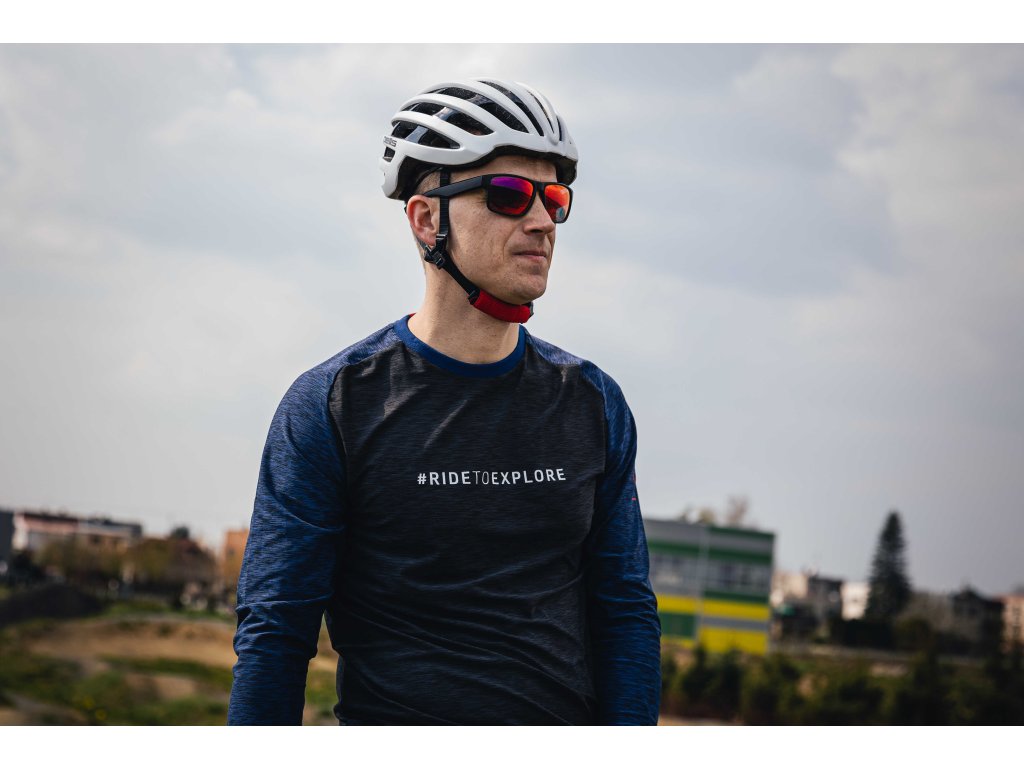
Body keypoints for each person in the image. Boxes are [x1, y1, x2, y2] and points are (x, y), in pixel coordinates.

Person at [227, 78, 661, 726]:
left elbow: (625, 615)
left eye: (554, 199)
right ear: (427, 219)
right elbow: (275, 636)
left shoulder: (594, 404)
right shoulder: (332, 406)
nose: (542, 221)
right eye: (508, 194)